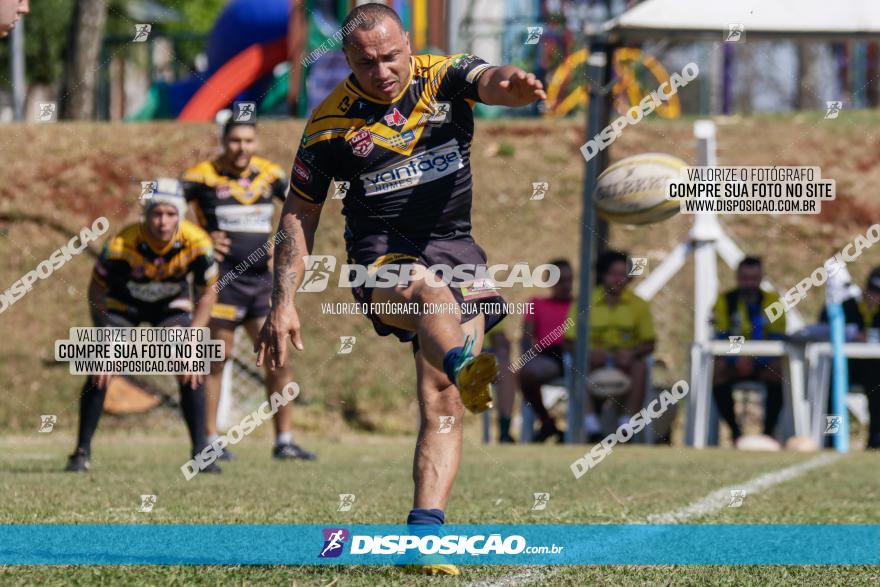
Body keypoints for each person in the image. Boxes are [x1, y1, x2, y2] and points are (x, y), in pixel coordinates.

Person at [254, 2, 545, 576]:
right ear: (347, 61)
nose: (383, 71)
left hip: (458, 249)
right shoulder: (329, 124)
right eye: (367, 64)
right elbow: (298, 215)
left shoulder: (442, 76)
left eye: (391, 57)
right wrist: (283, 300)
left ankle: (423, 539)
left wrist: (514, 85)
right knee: (432, 296)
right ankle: (464, 359)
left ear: (408, 45)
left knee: (444, 402)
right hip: (380, 258)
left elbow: (490, 80)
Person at [181, 119, 315, 462]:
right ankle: (210, 441)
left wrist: (283, 242)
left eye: (248, 140)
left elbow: (302, 209)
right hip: (221, 284)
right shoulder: (201, 177)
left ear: (256, 142)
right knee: (216, 361)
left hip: (261, 285)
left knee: (277, 360)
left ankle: (284, 440)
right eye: (235, 140)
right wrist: (200, 238)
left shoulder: (270, 174)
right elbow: (163, 213)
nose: (242, 147)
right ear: (223, 141)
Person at [65, 180, 219, 473]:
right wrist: (106, 336)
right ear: (145, 215)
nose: (163, 221)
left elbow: (209, 292)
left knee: (190, 364)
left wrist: (194, 338)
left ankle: (201, 452)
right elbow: (96, 291)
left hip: (170, 307)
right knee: (101, 367)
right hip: (124, 307)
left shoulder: (198, 242)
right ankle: (81, 451)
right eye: (156, 213)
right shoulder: (121, 244)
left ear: (181, 215)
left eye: (171, 214)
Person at [564, 251, 655, 439]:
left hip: (626, 366)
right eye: (613, 274)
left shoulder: (639, 305)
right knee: (577, 364)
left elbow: (649, 343)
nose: (618, 279)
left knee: (641, 366)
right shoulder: (583, 302)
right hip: (593, 364)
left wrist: (632, 352)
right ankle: (591, 427)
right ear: (602, 275)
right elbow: (569, 341)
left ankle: (626, 426)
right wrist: (587, 354)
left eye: (623, 274)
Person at [711, 256, 786, 442]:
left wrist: (755, 359)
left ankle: (768, 433)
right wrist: (736, 359)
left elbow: (776, 338)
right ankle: (735, 432)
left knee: (779, 372)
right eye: (745, 278)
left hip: (763, 362)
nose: (749, 284)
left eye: (754, 279)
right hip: (735, 361)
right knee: (717, 372)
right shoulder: (725, 301)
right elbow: (722, 335)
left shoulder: (772, 301)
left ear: (761, 278)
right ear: (737, 278)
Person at [818, 266, 880, 449]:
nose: (876, 297)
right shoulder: (847, 305)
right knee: (830, 389)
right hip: (847, 365)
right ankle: (832, 436)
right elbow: (822, 326)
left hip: (874, 368)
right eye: (874, 291)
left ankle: (875, 438)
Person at [517, 259, 573, 443]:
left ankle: (586, 428)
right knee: (527, 373)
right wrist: (527, 357)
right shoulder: (535, 303)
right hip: (548, 355)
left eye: (569, 280)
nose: (565, 286)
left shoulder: (581, 305)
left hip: (574, 355)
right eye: (560, 281)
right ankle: (546, 421)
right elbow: (526, 336)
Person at [484, 322, 516, 443]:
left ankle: (504, 433)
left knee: (506, 370)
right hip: (450, 352)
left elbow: (499, 339)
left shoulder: (486, 304)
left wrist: (503, 349)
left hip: (482, 354)